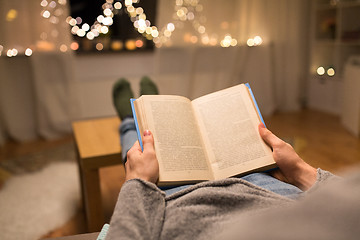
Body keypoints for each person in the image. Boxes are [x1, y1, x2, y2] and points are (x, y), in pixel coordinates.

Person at [106, 78, 360, 240]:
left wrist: (138, 183)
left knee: (141, 149)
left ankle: (131, 120)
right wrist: (301, 171)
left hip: (175, 197)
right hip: (266, 185)